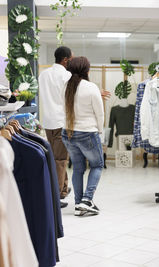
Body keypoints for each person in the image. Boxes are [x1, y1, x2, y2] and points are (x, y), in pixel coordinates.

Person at [61, 56, 104, 216]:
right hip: (87, 133)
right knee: (97, 164)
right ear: (86, 70)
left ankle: (79, 203)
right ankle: (87, 200)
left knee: (78, 168)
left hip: (68, 132)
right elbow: (99, 114)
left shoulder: (65, 86)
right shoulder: (91, 87)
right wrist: (100, 131)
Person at [39, 46, 73, 208]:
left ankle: (63, 189)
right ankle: (56, 197)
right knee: (60, 160)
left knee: (56, 158)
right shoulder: (66, 75)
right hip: (61, 122)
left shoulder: (43, 74)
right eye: (71, 59)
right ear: (65, 60)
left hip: (48, 122)